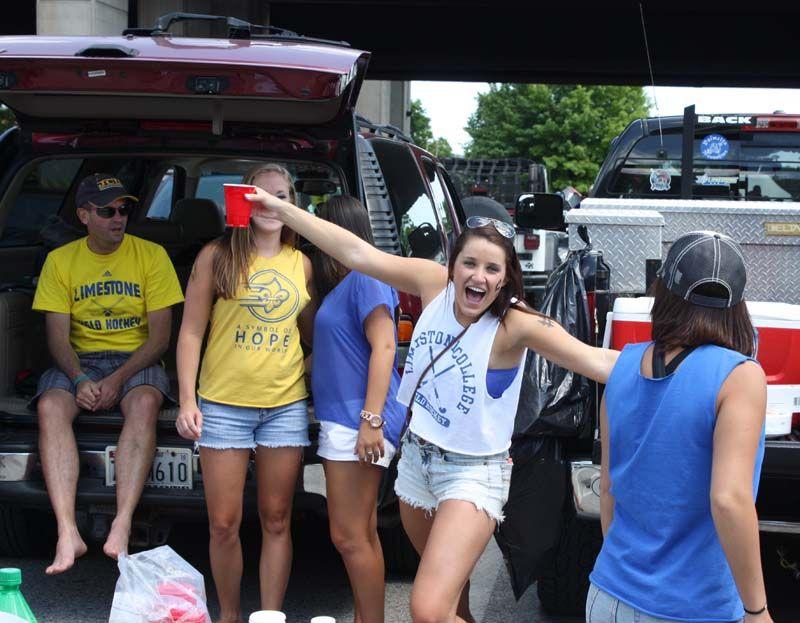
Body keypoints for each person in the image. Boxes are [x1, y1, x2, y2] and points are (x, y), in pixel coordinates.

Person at [244, 188, 619, 623]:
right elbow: (355, 250)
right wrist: (284, 209)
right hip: (418, 464)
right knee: (452, 603)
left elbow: (598, 361)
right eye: (470, 264)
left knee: (427, 610)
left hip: (473, 474)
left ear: (504, 278)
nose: (478, 276)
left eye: (492, 269)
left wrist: (687, 357)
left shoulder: (515, 325)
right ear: (453, 266)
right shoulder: (431, 284)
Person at [588, 231, 772, 623]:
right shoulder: (739, 376)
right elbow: (729, 499)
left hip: (607, 594)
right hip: (691, 608)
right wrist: (757, 610)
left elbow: (608, 490)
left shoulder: (624, 366)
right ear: (737, 305)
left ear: (664, 292)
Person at [175, 163, 316, 623]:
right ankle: (231, 616)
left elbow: (312, 334)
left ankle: (269, 617)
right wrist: (188, 400)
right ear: (246, 201)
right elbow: (192, 331)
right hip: (222, 403)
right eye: (263, 194)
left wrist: (311, 373)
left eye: (282, 195)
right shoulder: (217, 255)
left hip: (284, 406)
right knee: (223, 524)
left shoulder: (303, 263)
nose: (273, 203)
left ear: (292, 205)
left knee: (277, 519)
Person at [31, 173, 184, 574]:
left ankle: (122, 523)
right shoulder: (60, 261)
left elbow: (160, 339)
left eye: (124, 209)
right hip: (79, 359)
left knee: (146, 402)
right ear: (83, 215)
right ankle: (68, 533)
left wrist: (116, 380)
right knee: (49, 407)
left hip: (136, 358)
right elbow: (57, 338)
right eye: (107, 210)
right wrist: (80, 378)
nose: (118, 218)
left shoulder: (151, 255)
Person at [310, 196, 405, 623]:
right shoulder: (345, 283)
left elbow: (386, 346)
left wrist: (371, 421)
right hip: (347, 417)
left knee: (349, 535)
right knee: (360, 532)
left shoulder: (367, 275)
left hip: (359, 419)